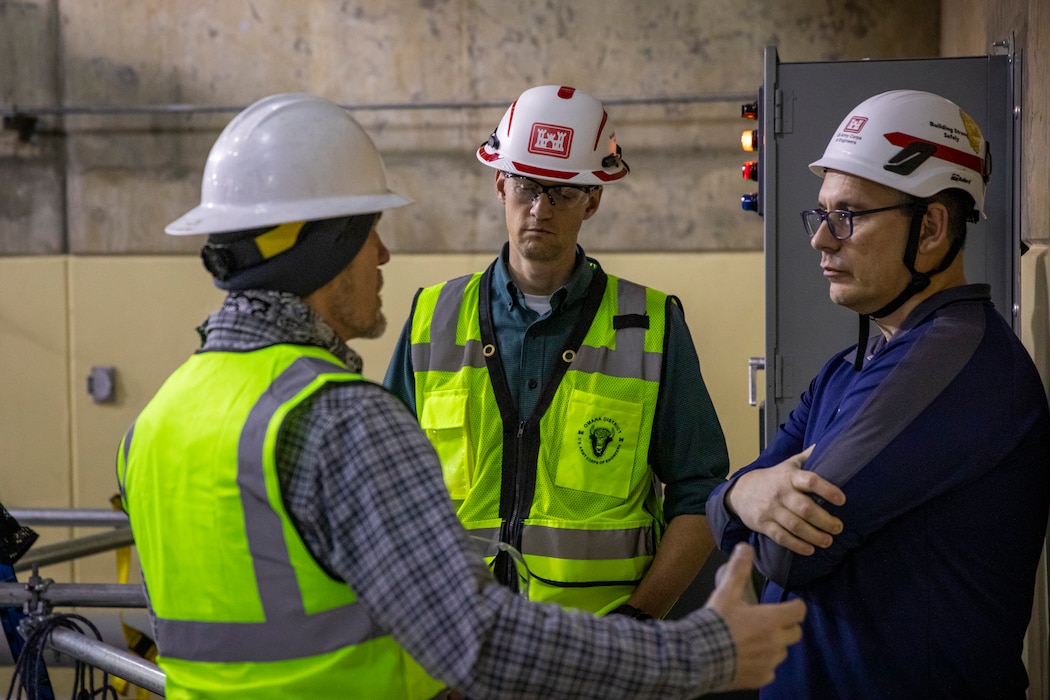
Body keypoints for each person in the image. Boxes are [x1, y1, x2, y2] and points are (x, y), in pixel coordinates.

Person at [115, 92, 805, 699]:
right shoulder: (338, 417)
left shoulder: (156, 421)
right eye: (367, 233)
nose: (383, 256)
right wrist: (700, 654)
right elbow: (470, 637)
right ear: (321, 248)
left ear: (592, 198)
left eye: (561, 191)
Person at [706, 89, 1050, 699]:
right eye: (822, 214)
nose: (822, 240)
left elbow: (786, 560)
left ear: (933, 227)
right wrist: (742, 492)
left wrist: (744, 497)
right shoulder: (853, 366)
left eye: (850, 216)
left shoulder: (954, 363)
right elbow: (728, 532)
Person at [384, 84, 730, 622]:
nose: (539, 208)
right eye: (525, 185)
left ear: (593, 198)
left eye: (562, 192)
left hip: (601, 643)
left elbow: (700, 493)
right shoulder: (434, 318)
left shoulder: (653, 326)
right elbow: (384, 487)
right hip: (456, 640)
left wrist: (640, 620)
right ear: (501, 184)